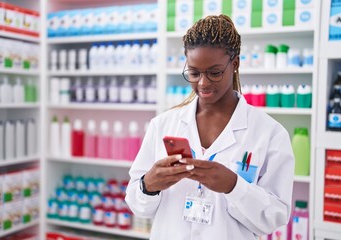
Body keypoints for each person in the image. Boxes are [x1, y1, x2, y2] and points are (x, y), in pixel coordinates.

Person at [125, 14, 295, 239]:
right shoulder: (163, 125)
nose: (203, 83)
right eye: (194, 73)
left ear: (235, 64)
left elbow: (274, 217)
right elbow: (138, 206)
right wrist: (149, 185)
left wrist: (234, 186)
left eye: (214, 73)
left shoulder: (270, 133)